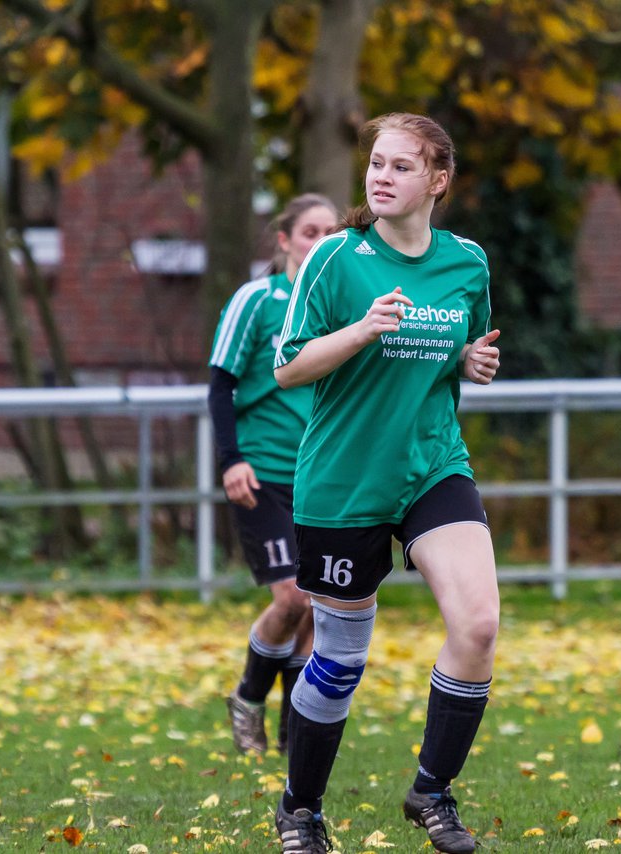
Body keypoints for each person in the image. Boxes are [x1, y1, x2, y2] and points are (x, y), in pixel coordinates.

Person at [271, 113, 502, 854]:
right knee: (339, 661)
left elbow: (456, 346)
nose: (381, 177)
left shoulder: (467, 263)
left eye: (402, 166)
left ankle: (432, 792)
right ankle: (300, 810)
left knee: (477, 626)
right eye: (376, 164)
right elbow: (289, 366)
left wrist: (467, 362)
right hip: (344, 479)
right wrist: (361, 330)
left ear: (438, 180)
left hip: (432, 464)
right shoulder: (337, 260)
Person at [208, 193, 339, 755]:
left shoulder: (340, 304)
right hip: (263, 471)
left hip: (324, 473)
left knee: (319, 607)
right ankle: (247, 698)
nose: (321, 242)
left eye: (332, 232)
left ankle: (292, 736)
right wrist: (230, 459)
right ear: (284, 240)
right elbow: (220, 385)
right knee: (294, 600)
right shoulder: (256, 299)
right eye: (311, 232)